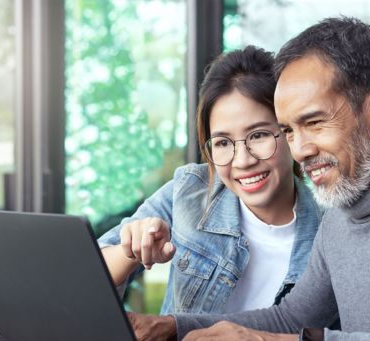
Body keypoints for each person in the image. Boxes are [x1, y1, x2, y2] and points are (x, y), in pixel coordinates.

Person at [128, 16, 370, 341]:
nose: (300, 150)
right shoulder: (339, 224)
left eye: (313, 123)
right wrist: (173, 326)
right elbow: (292, 317)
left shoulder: (323, 220)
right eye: (288, 131)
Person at [97, 46, 321, 320]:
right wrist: (130, 251)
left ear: (289, 132)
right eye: (223, 143)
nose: (242, 161)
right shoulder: (190, 190)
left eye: (259, 135)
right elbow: (85, 277)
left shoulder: (328, 232)